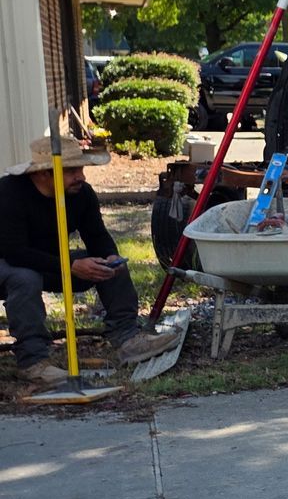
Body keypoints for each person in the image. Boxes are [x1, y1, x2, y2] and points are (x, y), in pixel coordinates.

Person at [1, 135, 175, 385]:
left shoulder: (81, 194)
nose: (80, 176)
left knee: (111, 264)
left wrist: (111, 257)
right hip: (8, 263)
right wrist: (70, 265)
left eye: (81, 169)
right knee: (24, 277)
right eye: (71, 171)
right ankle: (32, 362)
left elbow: (97, 235)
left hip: (49, 262)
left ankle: (127, 338)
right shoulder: (10, 192)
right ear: (43, 175)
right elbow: (14, 251)